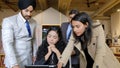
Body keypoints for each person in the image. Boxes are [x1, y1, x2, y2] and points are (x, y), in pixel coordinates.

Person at [2, 0, 37, 68]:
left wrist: (34, 55)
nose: (29, 14)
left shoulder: (34, 22)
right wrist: (14, 64)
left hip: (28, 61)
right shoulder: (9, 21)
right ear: (21, 9)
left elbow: (34, 39)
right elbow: (7, 44)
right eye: (26, 11)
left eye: (31, 11)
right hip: (14, 61)